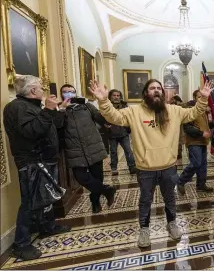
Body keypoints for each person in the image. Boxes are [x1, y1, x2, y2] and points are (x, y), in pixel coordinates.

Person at [89, 78, 214, 248]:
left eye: (159, 88)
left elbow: (193, 112)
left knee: (170, 198)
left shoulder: (174, 111)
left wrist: (204, 98)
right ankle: (144, 229)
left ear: (163, 93)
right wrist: (103, 100)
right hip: (145, 168)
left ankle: (172, 223)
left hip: (168, 167)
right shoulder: (134, 112)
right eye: (152, 88)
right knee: (145, 199)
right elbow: (114, 116)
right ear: (146, 93)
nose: (156, 90)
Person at [3, 75, 70, 260]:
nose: (43, 90)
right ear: (32, 90)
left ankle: (48, 227)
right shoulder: (17, 107)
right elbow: (31, 131)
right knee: (30, 202)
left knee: (46, 197)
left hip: (44, 160)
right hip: (32, 162)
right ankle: (21, 244)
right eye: (41, 87)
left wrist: (58, 111)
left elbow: (53, 126)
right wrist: (48, 110)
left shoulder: (33, 106)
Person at [57, 84, 116, 214]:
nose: (68, 94)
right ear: (61, 94)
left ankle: (95, 203)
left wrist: (108, 120)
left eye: (71, 92)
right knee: (81, 177)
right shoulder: (59, 109)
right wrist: (61, 110)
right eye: (65, 92)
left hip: (93, 146)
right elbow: (57, 126)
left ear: (75, 93)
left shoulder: (86, 106)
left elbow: (100, 118)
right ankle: (107, 190)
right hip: (74, 150)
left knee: (97, 177)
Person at [177, 90, 214, 194]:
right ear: (194, 98)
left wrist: (212, 122)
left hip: (203, 141)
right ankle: (180, 181)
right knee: (196, 163)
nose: (202, 98)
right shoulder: (190, 110)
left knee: (203, 165)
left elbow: (207, 126)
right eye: (199, 97)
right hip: (194, 142)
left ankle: (201, 185)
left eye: (203, 97)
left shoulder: (205, 111)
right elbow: (187, 127)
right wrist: (201, 133)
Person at [105, 89, 137, 176]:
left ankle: (132, 167)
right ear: (110, 97)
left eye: (118, 95)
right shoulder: (107, 106)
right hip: (112, 134)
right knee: (113, 152)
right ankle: (114, 168)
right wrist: (105, 126)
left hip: (123, 132)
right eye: (114, 95)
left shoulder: (125, 106)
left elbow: (130, 117)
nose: (116, 97)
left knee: (128, 150)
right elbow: (103, 117)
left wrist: (129, 128)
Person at [169, 94, 185, 160]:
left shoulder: (180, 106)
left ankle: (179, 154)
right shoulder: (173, 106)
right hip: (174, 125)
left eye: (172, 99)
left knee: (178, 140)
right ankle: (177, 154)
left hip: (179, 125)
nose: (170, 101)